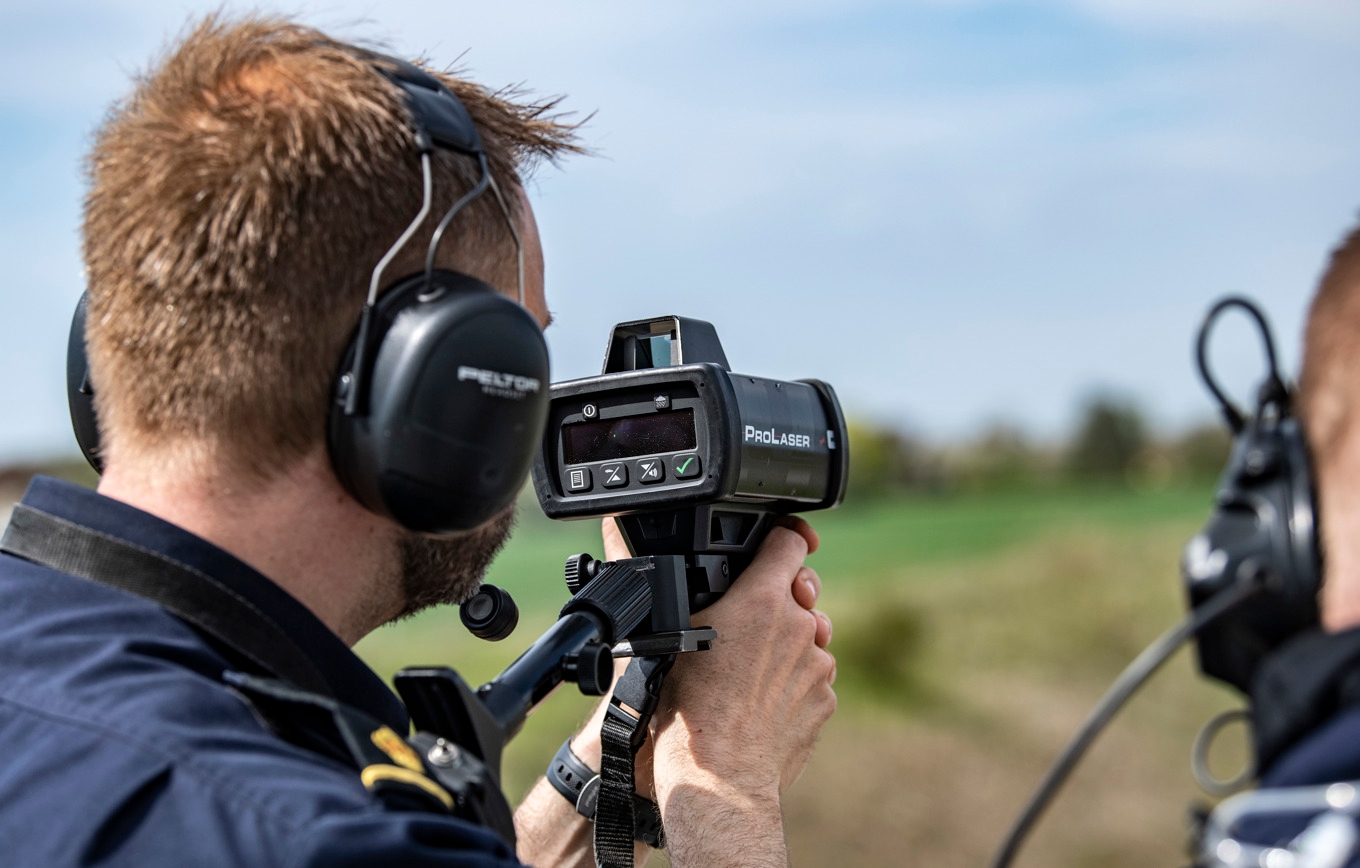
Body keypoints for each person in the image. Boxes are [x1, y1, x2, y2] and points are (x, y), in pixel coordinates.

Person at [0, 15, 836, 868]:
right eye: (518, 353)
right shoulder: (310, 836)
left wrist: (605, 767)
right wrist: (730, 776)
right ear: (438, 384)